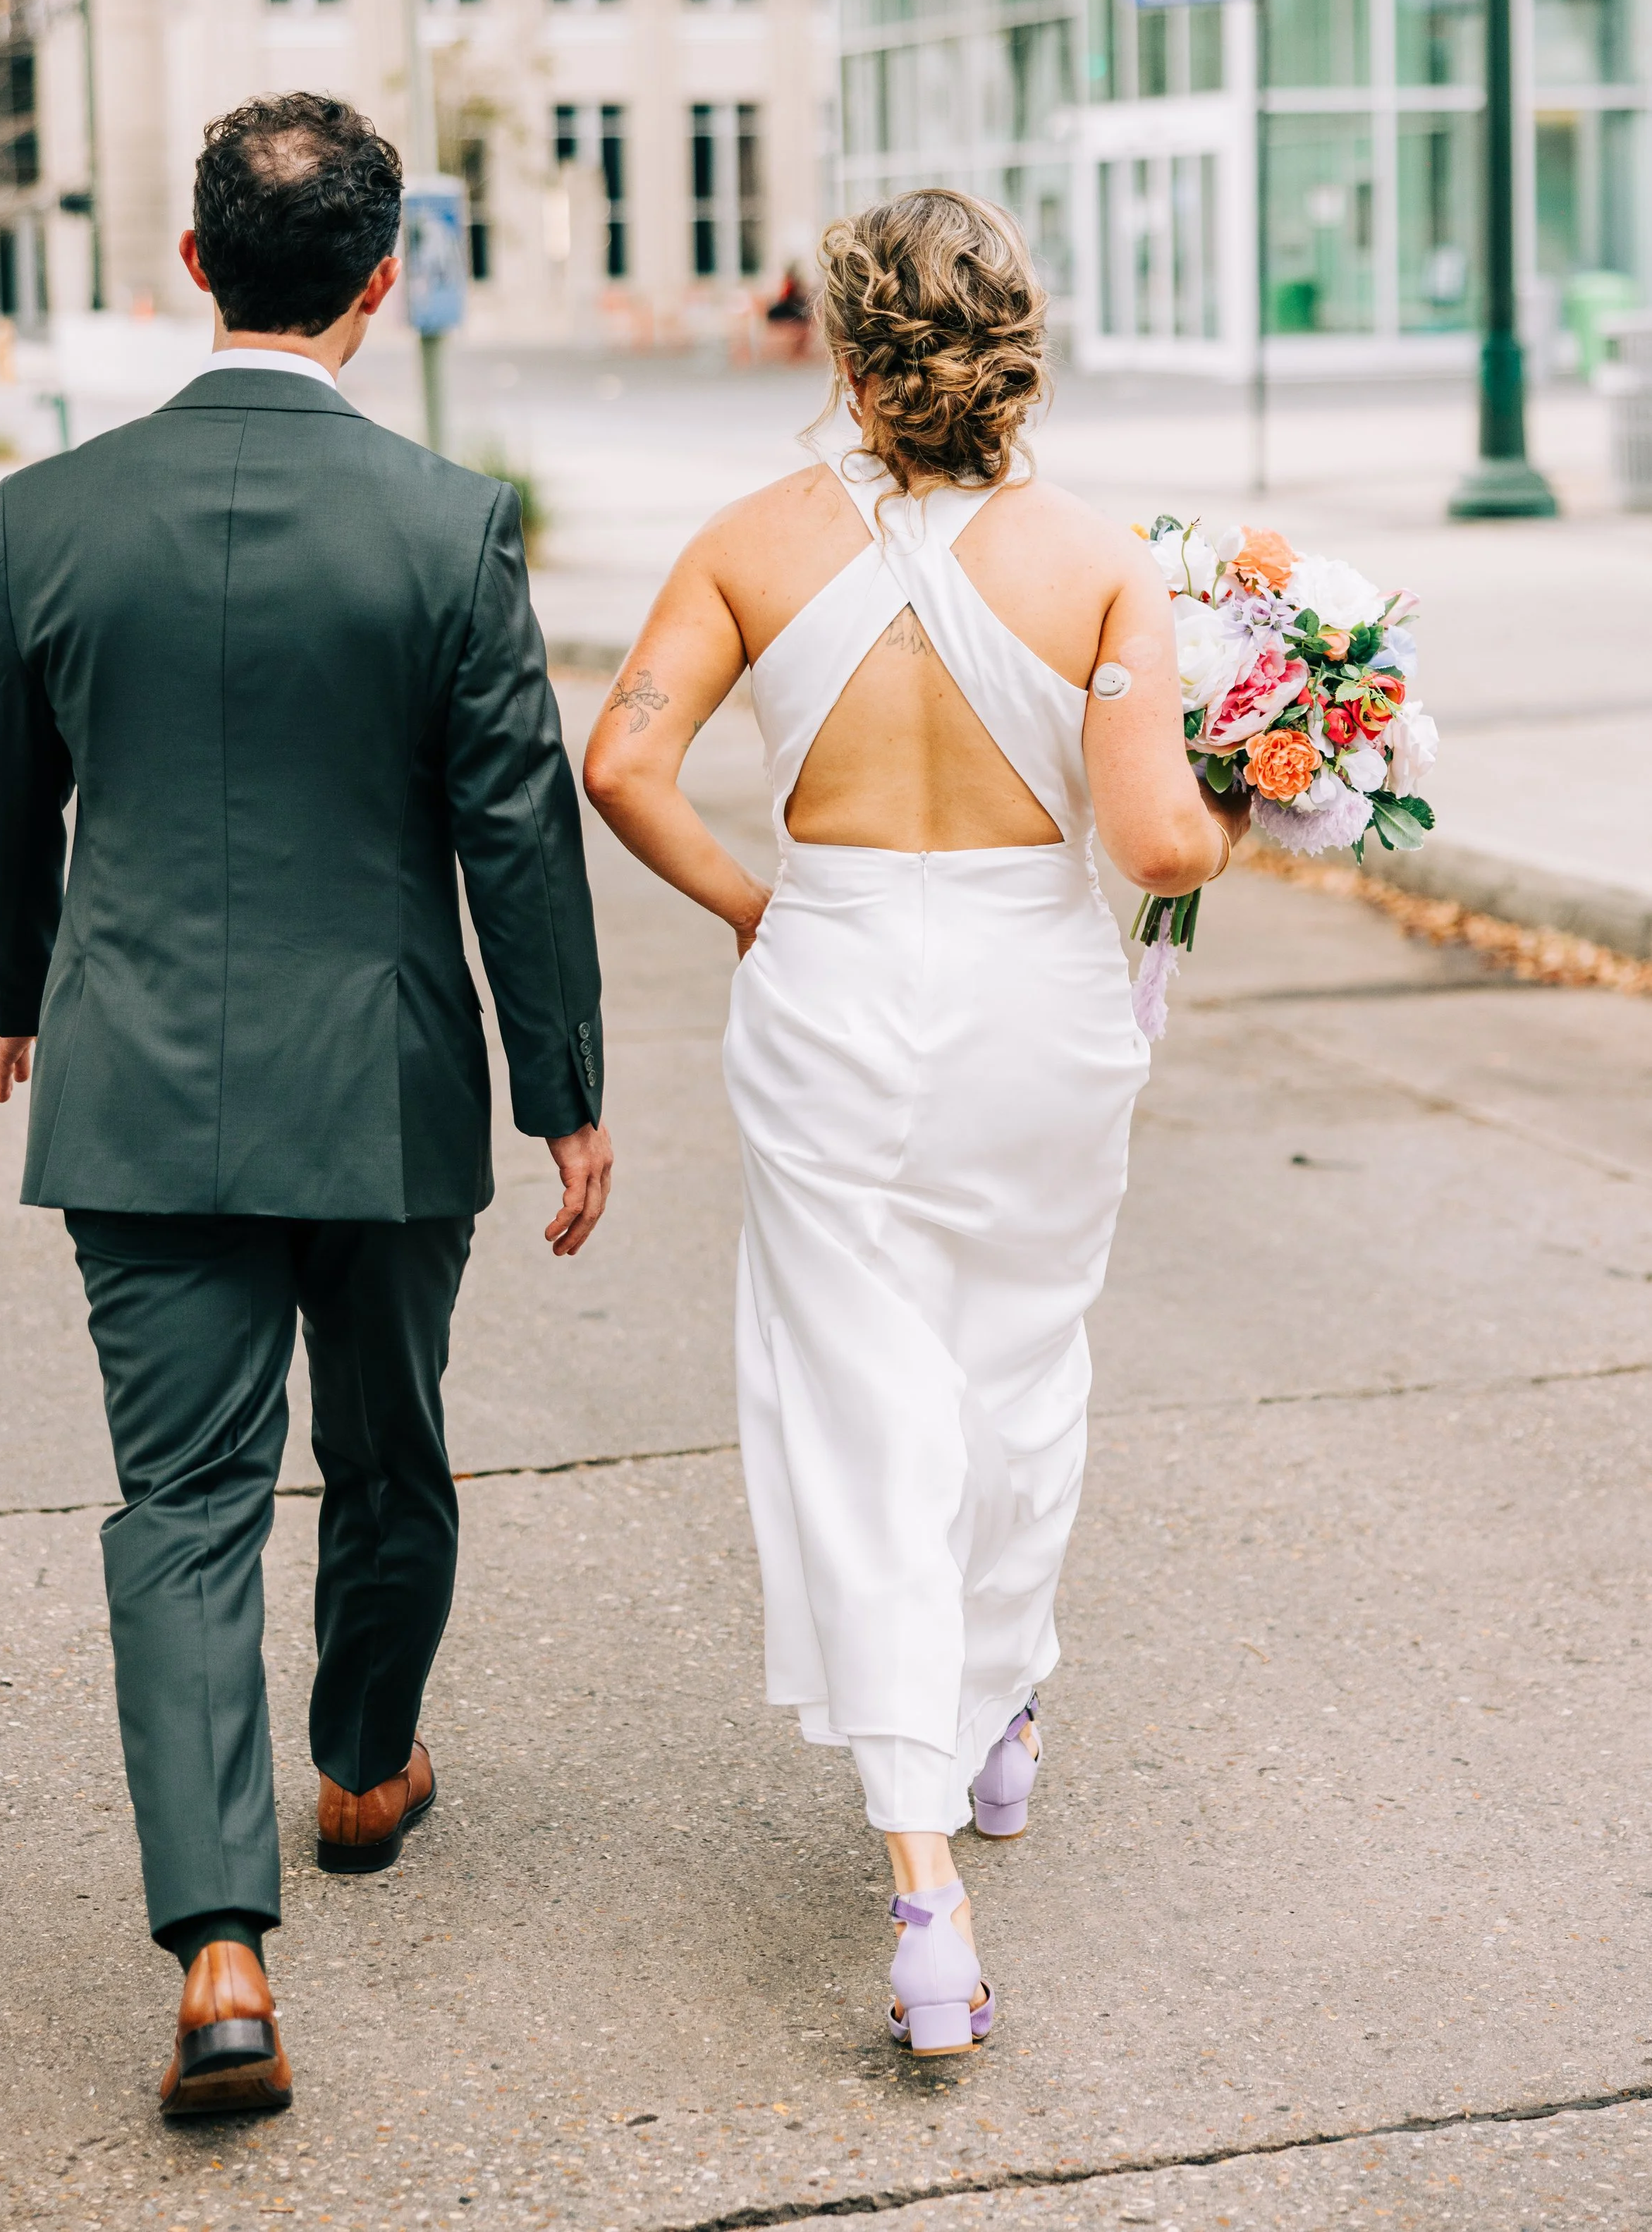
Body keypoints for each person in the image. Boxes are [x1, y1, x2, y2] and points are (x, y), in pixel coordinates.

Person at [0, 92, 611, 2117]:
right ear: (382, 279)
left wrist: (17, 993)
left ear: (191, 267)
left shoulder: (52, 515)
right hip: (390, 1079)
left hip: (140, 1081)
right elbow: (520, 834)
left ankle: (220, 1951)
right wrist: (565, 1089)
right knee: (391, 1447)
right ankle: (355, 1766)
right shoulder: (442, 522)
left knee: (183, 1506)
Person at [584, 188, 1244, 2056]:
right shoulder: (1097, 562)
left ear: (842, 348)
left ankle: (920, 1894)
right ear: (1016, 345)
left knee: (859, 1400)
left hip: (835, 985)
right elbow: (1156, 843)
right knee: (1017, 1368)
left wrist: (743, 902)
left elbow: (622, 758)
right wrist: (1238, 789)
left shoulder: (745, 544)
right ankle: (998, 1709)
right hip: (1031, 1006)